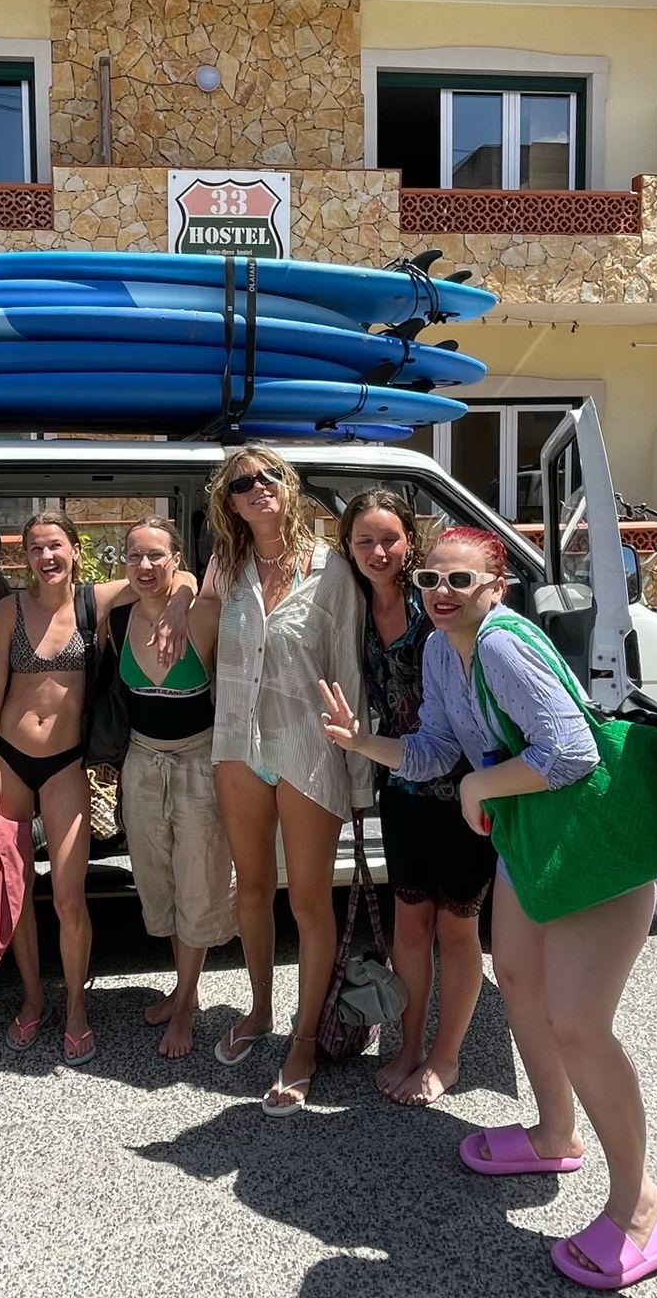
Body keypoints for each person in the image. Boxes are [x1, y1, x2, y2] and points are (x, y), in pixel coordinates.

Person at [322, 526, 657, 1289]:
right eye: (430, 580)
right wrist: (365, 742)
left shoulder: (500, 645)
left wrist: (481, 788)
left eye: (459, 581)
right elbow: (435, 753)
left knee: (578, 1024)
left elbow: (573, 752)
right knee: (515, 979)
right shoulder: (438, 648)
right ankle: (555, 1133)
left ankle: (638, 1204)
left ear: (496, 588)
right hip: (533, 834)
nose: (440, 594)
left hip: (590, 841)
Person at [169, 444, 370, 1114]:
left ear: (288, 486)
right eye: (240, 484)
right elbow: (194, 644)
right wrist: (172, 598)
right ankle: (258, 1011)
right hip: (237, 742)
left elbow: (348, 670)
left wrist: (361, 773)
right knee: (251, 889)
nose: (256, 489)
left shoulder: (331, 568)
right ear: (228, 502)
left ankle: (305, 1038)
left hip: (309, 745)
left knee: (309, 901)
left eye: (267, 478)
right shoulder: (226, 565)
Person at [338, 490, 491, 1106]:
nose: (378, 551)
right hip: (400, 784)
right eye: (364, 541)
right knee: (409, 925)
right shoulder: (348, 603)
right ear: (347, 549)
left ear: (410, 541)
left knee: (458, 929)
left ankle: (445, 1057)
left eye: (390, 538)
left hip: (464, 790)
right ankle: (406, 1046)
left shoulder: (435, 601)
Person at [0, 511, 102, 1064]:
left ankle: (76, 1006)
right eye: (34, 549)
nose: (46, 557)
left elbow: (180, 579)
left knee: (70, 897)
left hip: (67, 764)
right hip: (8, 761)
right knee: (17, 891)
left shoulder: (98, 602)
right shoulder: (9, 610)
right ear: (23, 558)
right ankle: (32, 999)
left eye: (55, 546)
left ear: (74, 548)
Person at [109, 516, 233, 1059]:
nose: (145, 566)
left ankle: (184, 1005)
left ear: (177, 558)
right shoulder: (114, 618)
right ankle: (184, 987)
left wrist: (185, 597)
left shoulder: (203, 614)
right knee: (156, 881)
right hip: (141, 761)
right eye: (135, 555)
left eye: (157, 555)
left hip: (198, 762)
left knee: (199, 882)